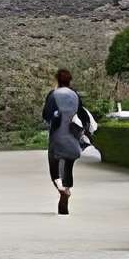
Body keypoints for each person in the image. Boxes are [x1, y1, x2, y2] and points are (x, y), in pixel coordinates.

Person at [43, 68, 95, 217]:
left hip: (57, 137)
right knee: (68, 168)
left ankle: (61, 190)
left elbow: (46, 115)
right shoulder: (75, 95)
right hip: (72, 137)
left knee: (54, 168)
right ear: (69, 80)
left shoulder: (53, 95)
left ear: (57, 80)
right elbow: (83, 115)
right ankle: (66, 189)